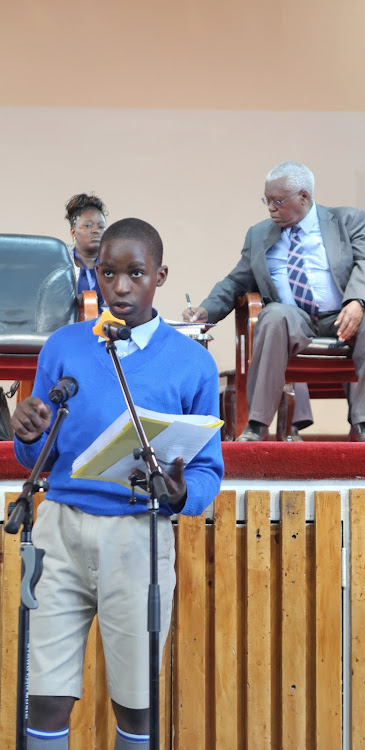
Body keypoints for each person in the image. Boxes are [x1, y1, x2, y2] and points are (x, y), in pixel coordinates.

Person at [12, 218, 224, 750]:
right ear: (95, 274)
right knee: (45, 694)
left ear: (161, 275)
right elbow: (36, 454)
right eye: (108, 273)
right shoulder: (62, 347)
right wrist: (28, 432)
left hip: (138, 534)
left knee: (136, 704)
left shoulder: (192, 363)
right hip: (60, 530)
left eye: (135, 273)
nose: (121, 287)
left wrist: (181, 495)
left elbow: (205, 471)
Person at [183, 160, 365, 442]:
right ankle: (257, 425)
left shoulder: (348, 220)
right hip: (295, 320)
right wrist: (205, 311)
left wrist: (357, 302)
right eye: (267, 200)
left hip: (345, 316)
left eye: (278, 200)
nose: (271, 208)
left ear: (304, 196)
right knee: (273, 314)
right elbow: (236, 282)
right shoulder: (259, 234)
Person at [65, 192, 108, 309]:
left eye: (101, 227)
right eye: (88, 226)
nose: (95, 231)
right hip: (67, 324)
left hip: (106, 324)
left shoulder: (115, 262)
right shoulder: (60, 259)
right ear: (73, 232)